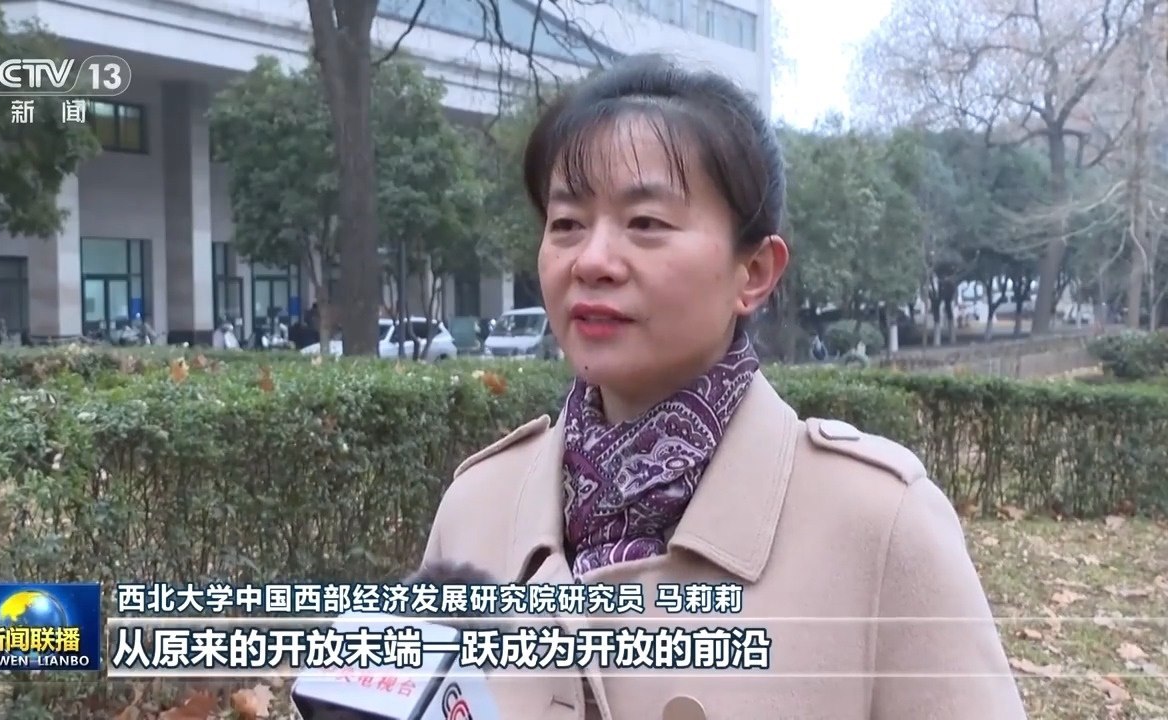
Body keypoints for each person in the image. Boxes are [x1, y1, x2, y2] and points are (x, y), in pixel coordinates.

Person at [419, 54, 1026, 719]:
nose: (591, 260)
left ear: (755, 272)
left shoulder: (880, 523)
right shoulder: (477, 508)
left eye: (645, 223)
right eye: (566, 224)